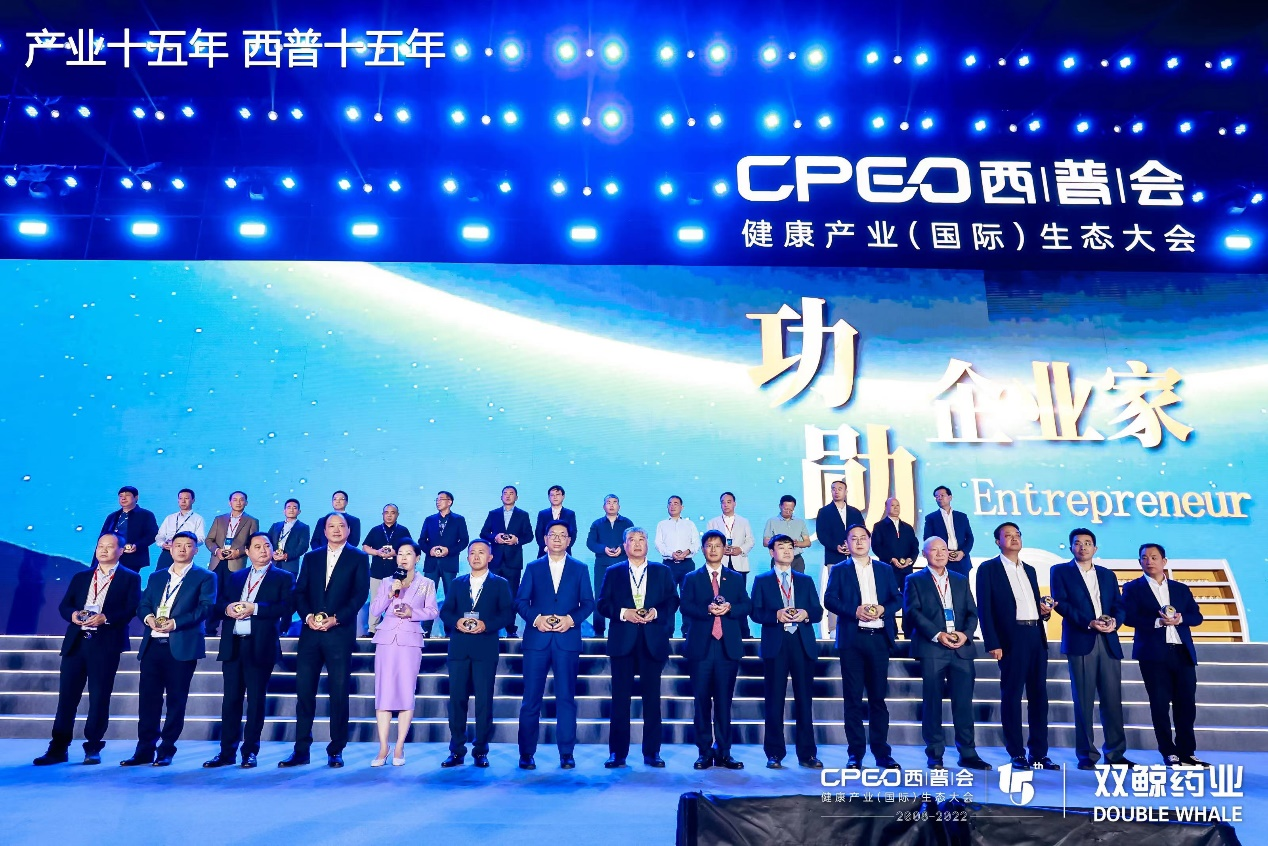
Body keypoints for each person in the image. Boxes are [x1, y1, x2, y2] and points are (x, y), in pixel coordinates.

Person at [34, 532, 142, 766]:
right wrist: (73, 615)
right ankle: (58, 748)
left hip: (105, 644)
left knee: (99, 697)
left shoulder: (130, 578)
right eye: (100, 546)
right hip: (76, 642)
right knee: (67, 698)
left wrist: (106, 618)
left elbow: (132, 608)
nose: (103, 550)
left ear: (121, 550)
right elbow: (65, 605)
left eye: (109, 546)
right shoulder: (82, 576)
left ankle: (93, 747)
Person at [281, 513, 370, 768]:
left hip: (339, 634)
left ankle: (336, 749)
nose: (336, 530)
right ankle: (301, 750)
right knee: (304, 693)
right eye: (331, 526)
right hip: (310, 634)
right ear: (324, 530)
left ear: (349, 530)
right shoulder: (312, 557)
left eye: (341, 526)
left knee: (339, 693)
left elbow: (359, 594)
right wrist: (308, 616)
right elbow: (300, 592)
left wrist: (336, 619)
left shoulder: (359, 557)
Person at [121, 531, 216, 766]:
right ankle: (144, 750)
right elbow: (143, 604)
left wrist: (175, 623)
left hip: (182, 645)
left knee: (176, 701)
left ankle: (166, 750)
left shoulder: (205, 576)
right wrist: (149, 618)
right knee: (148, 701)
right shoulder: (157, 577)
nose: (182, 549)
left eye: (188, 545)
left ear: (196, 550)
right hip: (153, 645)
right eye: (178, 545)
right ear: (170, 548)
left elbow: (205, 608)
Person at [203, 532, 295, 769]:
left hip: (260, 646)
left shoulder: (283, 577)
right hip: (233, 644)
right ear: (247, 551)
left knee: (255, 701)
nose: (263, 550)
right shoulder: (236, 577)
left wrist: (255, 608)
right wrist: (228, 609)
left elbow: (286, 607)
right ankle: (226, 752)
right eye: (257, 546)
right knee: (230, 701)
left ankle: (250, 752)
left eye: (267, 545)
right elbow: (218, 603)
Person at [1050, 528, 1135, 770]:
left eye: (1087, 543)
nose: (1083, 547)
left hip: (1108, 640)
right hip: (1081, 639)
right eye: (1078, 543)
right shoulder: (1060, 571)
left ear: (1095, 548)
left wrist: (1115, 622)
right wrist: (1089, 622)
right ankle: (1086, 755)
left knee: (1112, 701)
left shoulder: (1107, 575)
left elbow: (1119, 605)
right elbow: (1061, 604)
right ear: (1071, 547)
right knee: (1083, 701)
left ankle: (1115, 753)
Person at [976, 522, 1058, 771]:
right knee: (1012, 696)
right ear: (997, 542)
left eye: (1017, 535)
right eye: (1008, 535)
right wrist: (993, 642)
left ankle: (1039, 754)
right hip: (1011, 639)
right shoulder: (988, 569)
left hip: (1035, 635)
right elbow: (985, 609)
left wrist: (1044, 612)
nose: (1014, 539)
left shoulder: (1029, 569)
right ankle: (1016, 753)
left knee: (1039, 697)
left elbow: (1032, 604)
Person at [904, 538, 991, 770]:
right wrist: (937, 634)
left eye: (943, 549)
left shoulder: (960, 579)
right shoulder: (914, 580)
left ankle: (968, 753)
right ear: (925, 554)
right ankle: (935, 753)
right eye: (934, 550)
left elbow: (972, 613)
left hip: (961, 648)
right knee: (932, 702)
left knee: (963, 703)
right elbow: (913, 612)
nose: (940, 553)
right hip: (932, 647)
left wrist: (965, 634)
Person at [516, 520, 595, 770]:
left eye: (563, 535)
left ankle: (566, 753)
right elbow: (520, 601)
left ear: (569, 541)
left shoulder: (580, 568)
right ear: (545, 540)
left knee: (566, 698)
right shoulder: (533, 567)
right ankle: (526, 753)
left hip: (566, 641)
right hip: (536, 641)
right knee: (531, 699)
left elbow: (588, 603)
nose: (558, 538)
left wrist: (570, 620)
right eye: (553, 535)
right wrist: (536, 619)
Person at [597, 527, 679, 768]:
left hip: (652, 642)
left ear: (647, 544)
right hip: (622, 642)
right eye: (631, 540)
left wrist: (655, 612)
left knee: (652, 700)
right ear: (624, 546)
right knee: (620, 701)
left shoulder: (662, 571)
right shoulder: (613, 572)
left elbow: (673, 600)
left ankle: (652, 752)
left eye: (641, 539)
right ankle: (617, 753)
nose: (637, 543)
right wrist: (625, 613)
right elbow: (602, 604)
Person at [822, 524, 901, 769]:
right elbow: (829, 600)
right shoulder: (839, 569)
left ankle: (882, 753)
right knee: (853, 699)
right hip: (852, 640)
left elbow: (898, 598)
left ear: (870, 541)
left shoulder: (884, 569)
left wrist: (883, 609)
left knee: (878, 699)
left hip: (878, 639)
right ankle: (855, 753)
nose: (859, 542)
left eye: (863, 538)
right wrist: (854, 611)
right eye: (853, 539)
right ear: (846, 544)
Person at [1123, 543, 1208, 768]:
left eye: (1154, 557)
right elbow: (1128, 617)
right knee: (1160, 705)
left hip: (1182, 652)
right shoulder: (1133, 588)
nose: (1149, 561)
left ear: (1164, 561)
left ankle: (1187, 752)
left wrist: (1181, 619)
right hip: (1153, 655)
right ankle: (1168, 752)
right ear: (1139, 562)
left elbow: (1197, 617)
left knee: (1186, 704)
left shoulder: (1180, 589)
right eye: (1144, 557)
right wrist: (1158, 622)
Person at [439, 539, 516, 768]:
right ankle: (456, 750)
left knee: (484, 702)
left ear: (490, 557)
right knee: (457, 701)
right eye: (472, 552)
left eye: (481, 552)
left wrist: (486, 625)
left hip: (485, 648)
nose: (476, 556)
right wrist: (457, 622)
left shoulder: (500, 584)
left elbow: (507, 614)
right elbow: (446, 612)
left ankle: (481, 750)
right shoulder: (457, 583)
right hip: (459, 650)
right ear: (467, 557)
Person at [751, 535, 824, 769]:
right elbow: (755, 612)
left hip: (802, 643)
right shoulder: (762, 580)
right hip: (776, 643)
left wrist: (806, 614)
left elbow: (818, 611)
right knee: (774, 701)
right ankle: (774, 753)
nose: (786, 551)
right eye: (780, 547)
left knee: (804, 701)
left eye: (790, 547)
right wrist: (776, 615)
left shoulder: (805, 580)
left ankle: (807, 754)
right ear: (771, 552)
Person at [681, 530, 751, 770]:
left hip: (726, 647)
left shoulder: (735, 578)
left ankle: (724, 752)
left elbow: (746, 605)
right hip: (700, 647)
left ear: (724, 549)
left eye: (717, 545)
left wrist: (730, 608)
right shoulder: (692, 577)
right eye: (709, 545)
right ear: (702, 549)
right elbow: (685, 606)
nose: (713, 549)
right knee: (701, 702)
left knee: (723, 702)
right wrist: (707, 609)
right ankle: (704, 752)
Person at [369, 540, 439, 767]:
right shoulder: (387, 582)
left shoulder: (427, 583)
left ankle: (399, 745)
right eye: (400, 554)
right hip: (386, 640)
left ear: (417, 558)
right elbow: (375, 610)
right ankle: (383, 747)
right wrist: (391, 593)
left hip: (410, 641)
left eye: (409, 554)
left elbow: (433, 611)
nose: (404, 557)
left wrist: (412, 612)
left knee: (406, 693)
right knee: (383, 693)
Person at [479, 485, 534, 637]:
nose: (508, 496)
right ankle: (490, 626)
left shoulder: (523, 515)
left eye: (511, 493)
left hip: (513, 562)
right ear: (501, 497)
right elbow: (484, 533)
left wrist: (517, 540)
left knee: (512, 594)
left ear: (516, 497)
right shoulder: (494, 513)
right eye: (505, 493)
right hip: (495, 560)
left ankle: (511, 628)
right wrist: (495, 537)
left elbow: (529, 536)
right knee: (491, 593)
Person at [204, 491, 260, 636]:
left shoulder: (252, 521)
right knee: (214, 594)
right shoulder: (219, 519)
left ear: (246, 502)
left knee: (232, 595)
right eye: (235, 500)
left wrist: (238, 552)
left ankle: (229, 629)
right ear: (230, 503)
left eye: (241, 500)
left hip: (236, 563)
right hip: (217, 562)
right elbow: (209, 540)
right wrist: (217, 551)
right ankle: (210, 628)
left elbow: (253, 543)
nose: (238, 502)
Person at [419, 491, 470, 637]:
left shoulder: (459, 519)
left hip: (449, 563)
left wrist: (449, 550)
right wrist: (430, 550)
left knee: (450, 597)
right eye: (437, 499)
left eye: (441, 499)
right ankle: (425, 630)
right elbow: (422, 540)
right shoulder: (429, 519)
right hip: (431, 564)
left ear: (450, 502)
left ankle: (450, 630)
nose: (438, 501)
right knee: (427, 597)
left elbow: (464, 541)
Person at [707, 492, 757, 637]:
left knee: (739, 599)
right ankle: (720, 629)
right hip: (719, 564)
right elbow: (709, 542)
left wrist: (740, 549)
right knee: (717, 596)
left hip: (739, 563)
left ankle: (743, 632)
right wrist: (721, 550)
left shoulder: (744, 521)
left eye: (729, 502)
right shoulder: (713, 522)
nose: (726, 505)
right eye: (723, 502)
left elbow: (750, 540)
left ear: (734, 503)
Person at [585, 494, 633, 638]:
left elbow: (632, 540)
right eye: (608, 502)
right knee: (600, 597)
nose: (611, 505)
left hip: (622, 566)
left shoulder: (627, 523)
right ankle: (598, 632)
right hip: (602, 565)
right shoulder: (597, 524)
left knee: (622, 596)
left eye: (614, 502)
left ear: (619, 506)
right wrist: (603, 549)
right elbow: (590, 543)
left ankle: (621, 628)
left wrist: (621, 548)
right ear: (603, 506)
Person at [362, 503, 411, 635]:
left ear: (397, 515)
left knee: (397, 600)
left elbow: (410, 549)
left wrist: (395, 553)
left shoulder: (403, 531)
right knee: (375, 600)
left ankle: (395, 627)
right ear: (382, 514)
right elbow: (365, 547)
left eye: (392, 513)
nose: (389, 515)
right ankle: (372, 629)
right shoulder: (375, 530)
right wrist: (377, 552)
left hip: (397, 573)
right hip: (377, 571)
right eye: (386, 512)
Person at [654, 495, 699, 637]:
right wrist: (671, 553)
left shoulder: (689, 524)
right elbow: (658, 544)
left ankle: (688, 630)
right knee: (668, 597)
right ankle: (668, 631)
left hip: (687, 564)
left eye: (676, 503)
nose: (672, 506)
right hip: (669, 565)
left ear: (682, 507)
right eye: (670, 503)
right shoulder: (662, 524)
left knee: (688, 597)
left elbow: (696, 543)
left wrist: (687, 552)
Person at [99, 486, 159, 572]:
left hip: (132, 557)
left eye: (127, 495)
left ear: (136, 497)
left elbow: (153, 534)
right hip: (111, 555)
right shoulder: (112, 516)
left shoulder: (146, 515)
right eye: (121, 496)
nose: (123, 498)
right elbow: (103, 536)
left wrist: (137, 546)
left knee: (127, 579)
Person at [871, 497, 919, 597]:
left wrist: (910, 559)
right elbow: (876, 546)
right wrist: (891, 558)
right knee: (889, 597)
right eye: (892, 505)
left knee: (908, 598)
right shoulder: (879, 526)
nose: (896, 508)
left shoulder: (907, 527)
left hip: (906, 570)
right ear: (886, 507)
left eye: (897, 505)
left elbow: (915, 546)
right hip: (888, 568)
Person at [922, 486, 975, 579]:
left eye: (942, 495)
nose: (939, 498)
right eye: (937, 497)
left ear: (950, 497)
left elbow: (970, 537)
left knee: (963, 586)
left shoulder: (961, 516)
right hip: (942, 559)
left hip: (961, 559)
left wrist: (963, 552)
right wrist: (944, 551)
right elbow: (928, 539)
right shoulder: (931, 518)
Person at [814, 480, 865, 570]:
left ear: (846, 492)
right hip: (833, 557)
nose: (836, 491)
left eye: (840, 489)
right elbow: (821, 534)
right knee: (835, 579)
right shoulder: (824, 512)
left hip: (855, 556)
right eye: (834, 489)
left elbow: (862, 531)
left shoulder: (855, 512)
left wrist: (852, 546)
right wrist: (835, 546)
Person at [154, 489, 206, 571]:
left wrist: (186, 544)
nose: (183, 501)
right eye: (181, 498)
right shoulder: (170, 518)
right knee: (161, 575)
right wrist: (162, 544)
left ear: (193, 500)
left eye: (186, 498)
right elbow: (160, 536)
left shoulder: (198, 519)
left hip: (184, 552)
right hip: (168, 551)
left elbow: (201, 539)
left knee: (182, 575)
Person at [762, 495, 812, 572]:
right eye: (785, 509)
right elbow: (765, 542)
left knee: (799, 579)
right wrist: (781, 543)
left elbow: (807, 542)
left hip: (796, 559)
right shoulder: (772, 521)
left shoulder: (800, 522)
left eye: (791, 510)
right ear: (780, 506)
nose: (788, 512)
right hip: (779, 559)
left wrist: (797, 543)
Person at [266, 498, 311, 574]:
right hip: (273, 563)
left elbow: (303, 547)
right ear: (284, 511)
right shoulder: (275, 526)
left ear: (299, 511)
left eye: (294, 508)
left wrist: (286, 556)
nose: (291, 510)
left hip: (290, 566)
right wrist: (272, 553)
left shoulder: (303, 527)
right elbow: (267, 541)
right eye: (289, 507)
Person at [533, 484, 578, 558]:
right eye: (552, 495)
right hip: (545, 552)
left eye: (558, 494)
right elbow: (538, 533)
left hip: (565, 552)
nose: (555, 497)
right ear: (549, 497)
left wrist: (565, 547)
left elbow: (573, 533)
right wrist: (546, 547)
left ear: (563, 496)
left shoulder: (570, 514)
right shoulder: (542, 514)